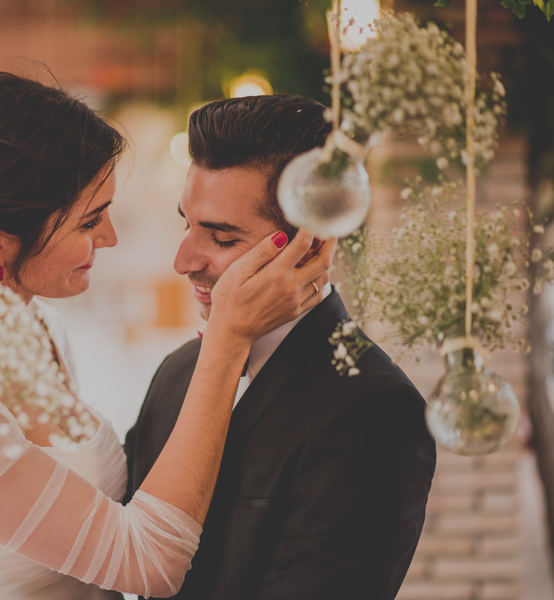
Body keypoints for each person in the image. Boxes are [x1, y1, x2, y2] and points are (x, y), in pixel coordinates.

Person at [0, 73, 334, 600]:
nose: (110, 237)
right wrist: (227, 337)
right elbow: (149, 563)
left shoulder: (40, 328)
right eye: (89, 222)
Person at [123, 94, 438, 600]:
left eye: (222, 239)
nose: (182, 261)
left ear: (309, 244)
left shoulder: (376, 410)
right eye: (188, 224)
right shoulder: (176, 373)